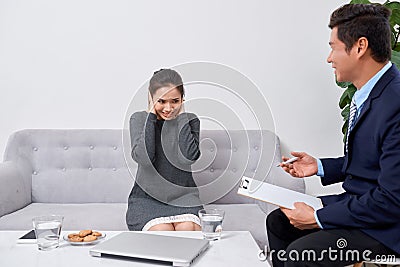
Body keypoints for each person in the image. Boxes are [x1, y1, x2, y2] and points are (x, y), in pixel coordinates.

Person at [267, 4, 400, 267]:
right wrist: (320, 167)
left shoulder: (395, 102)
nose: (329, 58)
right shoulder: (368, 93)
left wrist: (319, 218)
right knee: (279, 221)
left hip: (386, 225)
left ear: (360, 47)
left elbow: (392, 199)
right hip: (362, 206)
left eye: (334, 47)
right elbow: (372, 161)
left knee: (301, 256)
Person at [126, 68, 202, 231]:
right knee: (163, 231)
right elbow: (144, 158)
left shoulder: (190, 120)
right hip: (147, 199)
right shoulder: (139, 119)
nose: (168, 108)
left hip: (184, 198)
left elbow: (188, 157)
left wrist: (181, 115)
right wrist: (151, 116)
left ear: (182, 99)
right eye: (161, 101)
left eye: (174, 101)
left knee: (187, 229)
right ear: (151, 97)